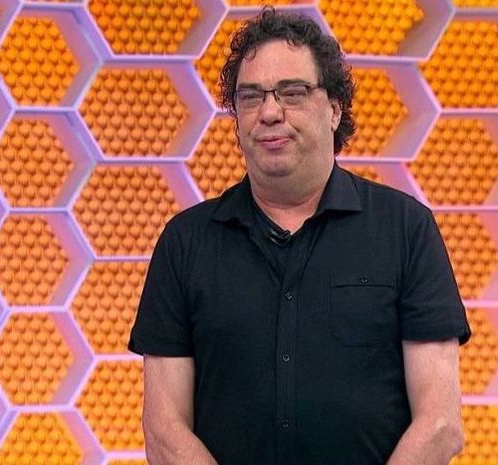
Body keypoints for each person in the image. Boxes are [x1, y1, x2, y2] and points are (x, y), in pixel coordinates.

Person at [128, 7, 471, 465]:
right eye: (251, 97)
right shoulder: (185, 243)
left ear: (334, 110)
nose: (270, 112)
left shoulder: (405, 229)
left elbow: (441, 424)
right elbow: (164, 429)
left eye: (292, 92)